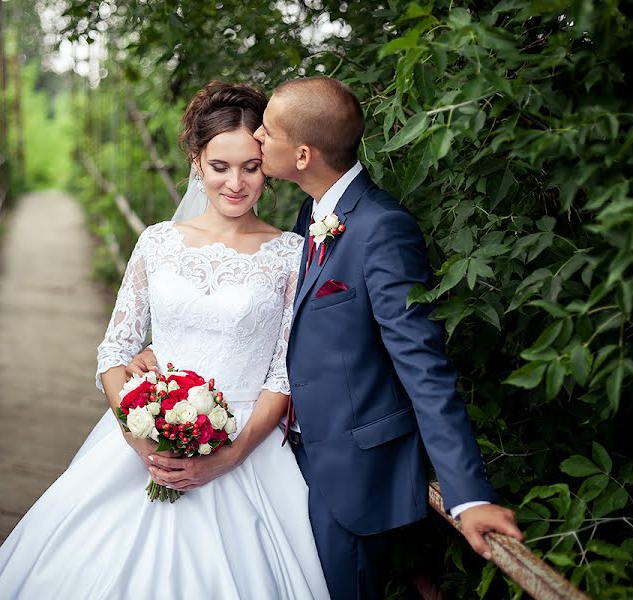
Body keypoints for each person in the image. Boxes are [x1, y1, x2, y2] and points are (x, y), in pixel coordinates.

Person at [135, 77, 524, 599]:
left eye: (265, 134)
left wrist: (468, 496)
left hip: (351, 473)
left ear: (300, 154)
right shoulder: (313, 214)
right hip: (291, 463)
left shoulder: (382, 228)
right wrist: (165, 349)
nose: (256, 141)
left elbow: (423, 366)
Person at [0, 81, 330, 599]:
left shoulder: (291, 254)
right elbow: (115, 349)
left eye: (250, 166)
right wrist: (141, 438)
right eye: (219, 166)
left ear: (267, 166)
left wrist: (228, 456)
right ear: (196, 162)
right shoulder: (157, 242)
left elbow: (281, 373)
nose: (235, 183)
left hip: (247, 448)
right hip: (145, 438)